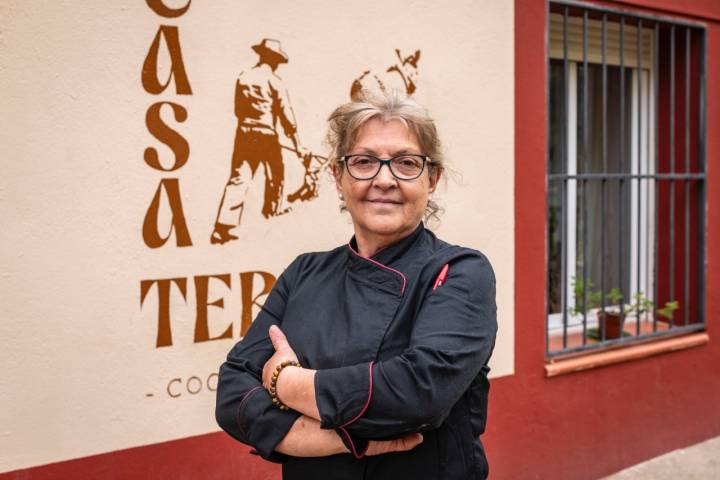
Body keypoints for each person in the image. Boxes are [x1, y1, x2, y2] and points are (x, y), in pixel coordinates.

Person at [215, 90, 497, 479]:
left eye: (406, 163)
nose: (384, 179)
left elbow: (418, 393)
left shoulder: (458, 271)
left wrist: (287, 383)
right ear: (338, 176)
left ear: (432, 179)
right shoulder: (304, 273)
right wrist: (351, 440)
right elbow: (232, 392)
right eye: (364, 162)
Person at [211, 38, 309, 245]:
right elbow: (286, 117)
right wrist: (298, 146)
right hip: (266, 134)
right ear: (274, 60)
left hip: (245, 132)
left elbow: (238, 110)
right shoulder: (275, 81)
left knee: (239, 178)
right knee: (275, 176)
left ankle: (223, 227)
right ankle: (270, 216)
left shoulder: (244, 77)